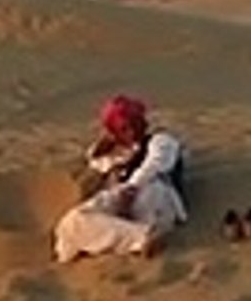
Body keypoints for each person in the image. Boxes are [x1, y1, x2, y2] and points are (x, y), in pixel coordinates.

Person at [52, 94, 187, 260]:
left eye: (134, 123)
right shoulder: (112, 155)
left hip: (154, 195)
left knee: (150, 190)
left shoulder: (161, 141)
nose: (131, 130)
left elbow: (157, 163)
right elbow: (96, 165)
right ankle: (135, 239)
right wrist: (100, 152)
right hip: (119, 198)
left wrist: (132, 187)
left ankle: (142, 238)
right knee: (71, 222)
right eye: (123, 128)